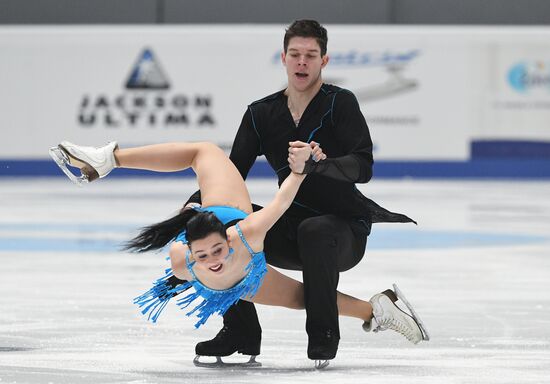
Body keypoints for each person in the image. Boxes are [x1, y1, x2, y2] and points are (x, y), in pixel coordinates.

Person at [176, 19, 428, 367]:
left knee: (316, 229)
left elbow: (363, 166)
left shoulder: (340, 103)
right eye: (295, 54)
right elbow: (231, 173)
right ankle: (240, 331)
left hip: (343, 230)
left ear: (324, 61)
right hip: (292, 225)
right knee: (222, 224)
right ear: (283, 58)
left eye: (311, 55)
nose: (302, 62)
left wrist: (321, 164)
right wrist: (196, 205)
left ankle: (323, 334)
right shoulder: (261, 113)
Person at [49, 139, 426, 370]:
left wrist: (301, 169)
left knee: (206, 152)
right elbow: (181, 269)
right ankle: (379, 308)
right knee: (302, 299)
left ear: (227, 240)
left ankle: (108, 158)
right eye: (204, 255)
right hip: (226, 274)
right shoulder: (184, 263)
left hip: (245, 257)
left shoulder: (245, 235)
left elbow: (280, 202)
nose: (213, 257)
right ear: (191, 255)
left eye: (217, 249)